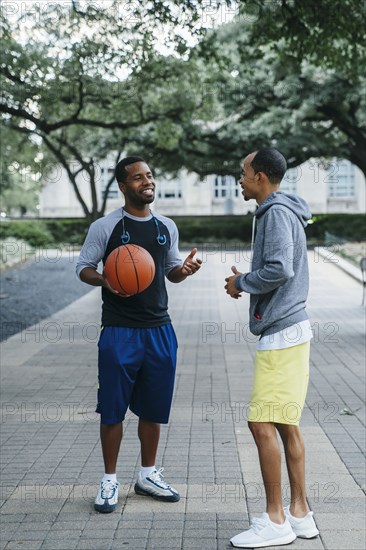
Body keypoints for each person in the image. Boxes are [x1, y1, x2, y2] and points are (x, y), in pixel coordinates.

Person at [76, 156, 201, 513]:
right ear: (122, 185)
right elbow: (83, 266)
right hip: (118, 330)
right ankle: (109, 480)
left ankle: (147, 475)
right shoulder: (106, 227)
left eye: (149, 176)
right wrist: (105, 279)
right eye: (137, 177)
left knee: (153, 409)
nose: (147, 182)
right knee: (113, 410)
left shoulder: (166, 226)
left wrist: (184, 270)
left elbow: (170, 272)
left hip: (160, 329)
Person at [225, 148, 319, 548]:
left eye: (243, 173)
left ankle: (275, 520)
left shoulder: (276, 213)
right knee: (285, 423)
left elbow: (281, 268)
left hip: (282, 333)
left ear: (260, 176)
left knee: (260, 423)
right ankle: (300, 514)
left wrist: (242, 282)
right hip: (291, 330)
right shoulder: (281, 209)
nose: (239, 179)